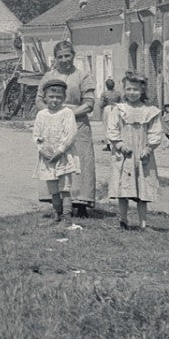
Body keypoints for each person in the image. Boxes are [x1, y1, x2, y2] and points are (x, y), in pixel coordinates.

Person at [46, 41, 100, 216]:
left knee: (81, 163)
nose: (64, 60)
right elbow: (40, 100)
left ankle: (82, 204)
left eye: (67, 55)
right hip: (54, 126)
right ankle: (58, 205)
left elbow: (89, 104)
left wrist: (69, 114)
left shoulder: (83, 76)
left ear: (73, 56)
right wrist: (51, 114)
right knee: (57, 162)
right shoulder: (48, 77)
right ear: (55, 58)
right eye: (60, 56)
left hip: (79, 124)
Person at [107, 71, 163, 230]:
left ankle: (143, 223)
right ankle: (123, 219)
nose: (132, 93)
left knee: (142, 188)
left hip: (141, 153)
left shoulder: (150, 111)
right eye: (129, 89)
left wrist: (149, 147)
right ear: (124, 90)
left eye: (136, 90)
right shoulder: (119, 109)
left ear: (143, 91)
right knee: (123, 187)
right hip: (124, 153)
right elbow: (112, 129)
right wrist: (118, 144)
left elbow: (155, 132)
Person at [33, 75, 80, 222]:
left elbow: (71, 134)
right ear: (45, 98)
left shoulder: (67, 113)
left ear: (64, 98)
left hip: (63, 156)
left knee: (65, 187)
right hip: (47, 157)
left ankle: (67, 215)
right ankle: (56, 212)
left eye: (58, 97)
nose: (55, 100)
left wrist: (60, 150)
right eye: (51, 97)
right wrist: (41, 149)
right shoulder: (41, 115)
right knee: (53, 188)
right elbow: (36, 134)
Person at [99, 78, 121, 152]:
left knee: (107, 126)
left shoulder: (104, 94)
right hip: (116, 108)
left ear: (106, 86)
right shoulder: (118, 93)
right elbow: (121, 102)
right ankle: (117, 143)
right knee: (116, 126)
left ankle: (108, 145)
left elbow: (101, 104)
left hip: (107, 109)